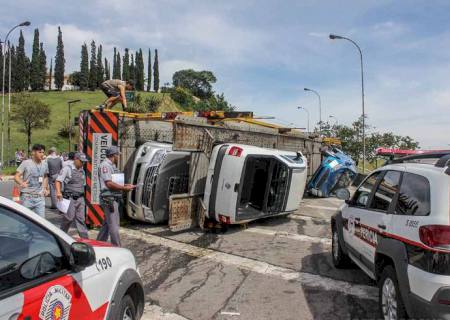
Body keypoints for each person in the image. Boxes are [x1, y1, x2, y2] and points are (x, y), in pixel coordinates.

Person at [96, 146, 134, 246]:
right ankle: (117, 247)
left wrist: (126, 186)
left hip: (112, 198)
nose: (119, 156)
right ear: (113, 155)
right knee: (114, 225)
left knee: (107, 225)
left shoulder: (112, 166)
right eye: (118, 155)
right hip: (109, 199)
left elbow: (115, 182)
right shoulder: (105, 166)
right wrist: (124, 188)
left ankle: (98, 244)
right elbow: (109, 183)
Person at [55, 152, 89, 238]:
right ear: (76, 159)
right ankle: (61, 236)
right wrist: (58, 192)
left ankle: (85, 239)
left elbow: (83, 184)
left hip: (80, 198)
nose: (83, 163)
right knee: (69, 218)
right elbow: (58, 181)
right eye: (81, 161)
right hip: (70, 198)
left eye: (84, 162)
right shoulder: (67, 169)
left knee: (81, 220)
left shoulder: (82, 171)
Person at [14, 144, 49, 218]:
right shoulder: (26, 163)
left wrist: (46, 188)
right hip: (27, 197)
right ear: (33, 152)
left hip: (40, 197)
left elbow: (45, 176)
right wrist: (22, 183)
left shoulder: (45, 164)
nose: (42, 154)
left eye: (43, 152)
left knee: (41, 222)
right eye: (40, 152)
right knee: (24, 222)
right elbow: (16, 176)